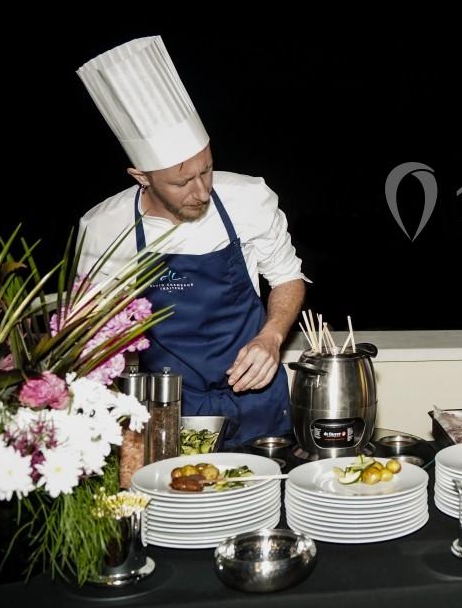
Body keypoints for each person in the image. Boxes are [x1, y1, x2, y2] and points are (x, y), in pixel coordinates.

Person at [76, 36, 307, 443]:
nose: (201, 191)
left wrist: (270, 338)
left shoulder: (250, 198)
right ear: (141, 177)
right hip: (164, 407)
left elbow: (287, 277)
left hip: (256, 399)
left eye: (207, 170)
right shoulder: (104, 229)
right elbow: (93, 330)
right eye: (182, 181)